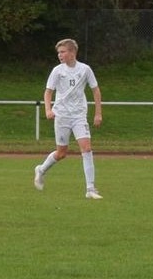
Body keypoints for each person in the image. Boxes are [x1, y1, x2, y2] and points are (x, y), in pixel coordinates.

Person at [34, 39, 104, 199]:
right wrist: (48, 109)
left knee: (86, 148)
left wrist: (98, 113)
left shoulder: (85, 69)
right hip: (62, 116)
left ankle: (90, 189)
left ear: (72, 52)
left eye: (63, 52)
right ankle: (41, 169)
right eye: (58, 52)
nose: (60, 55)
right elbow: (48, 92)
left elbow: (96, 90)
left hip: (79, 116)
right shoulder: (57, 71)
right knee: (61, 153)